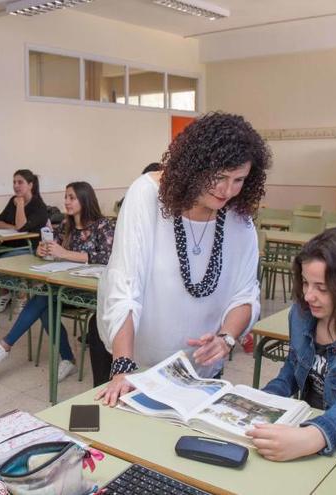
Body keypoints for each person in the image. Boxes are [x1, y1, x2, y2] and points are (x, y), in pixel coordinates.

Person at [96, 112, 269, 406]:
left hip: (198, 369)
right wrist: (124, 366)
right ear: (194, 166)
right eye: (219, 177)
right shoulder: (147, 195)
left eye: (238, 180)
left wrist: (225, 339)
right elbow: (124, 286)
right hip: (131, 360)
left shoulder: (239, 220)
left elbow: (245, 294)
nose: (227, 190)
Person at [250, 228, 336, 461]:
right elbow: (292, 368)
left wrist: (314, 436)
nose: (309, 296)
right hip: (306, 426)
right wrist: (262, 401)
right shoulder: (301, 314)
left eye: (322, 288)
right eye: (304, 283)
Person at [0, 182, 115, 382]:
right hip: (64, 285)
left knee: (44, 299)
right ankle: (65, 359)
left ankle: (8, 346)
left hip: (91, 289)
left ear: (85, 199)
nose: (66, 202)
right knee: (45, 301)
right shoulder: (66, 226)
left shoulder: (103, 225)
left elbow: (107, 257)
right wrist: (42, 251)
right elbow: (52, 250)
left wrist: (66, 253)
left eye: (71, 197)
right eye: (66, 197)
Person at [0, 169, 49, 310]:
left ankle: (18, 293)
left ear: (30, 185)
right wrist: (13, 228)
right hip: (10, 245)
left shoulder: (38, 206)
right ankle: (7, 292)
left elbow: (21, 225)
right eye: (14, 182)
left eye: (20, 182)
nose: (16, 186)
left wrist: (20, 204)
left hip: (29, 248)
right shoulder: (12, 201)